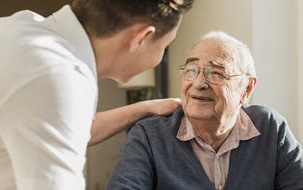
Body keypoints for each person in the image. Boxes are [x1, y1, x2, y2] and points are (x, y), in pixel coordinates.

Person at [0, 0, 195, 189]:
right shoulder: (56, 77)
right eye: (165, 46)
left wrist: (145, 108)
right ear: (141, 38)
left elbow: (67, 128)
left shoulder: (18, 29)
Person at [106, 31, 303, 190]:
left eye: (216, 73)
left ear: (247, 89)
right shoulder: (149, 135)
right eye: (191, 70)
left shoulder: (271, 128)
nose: (199, 83)